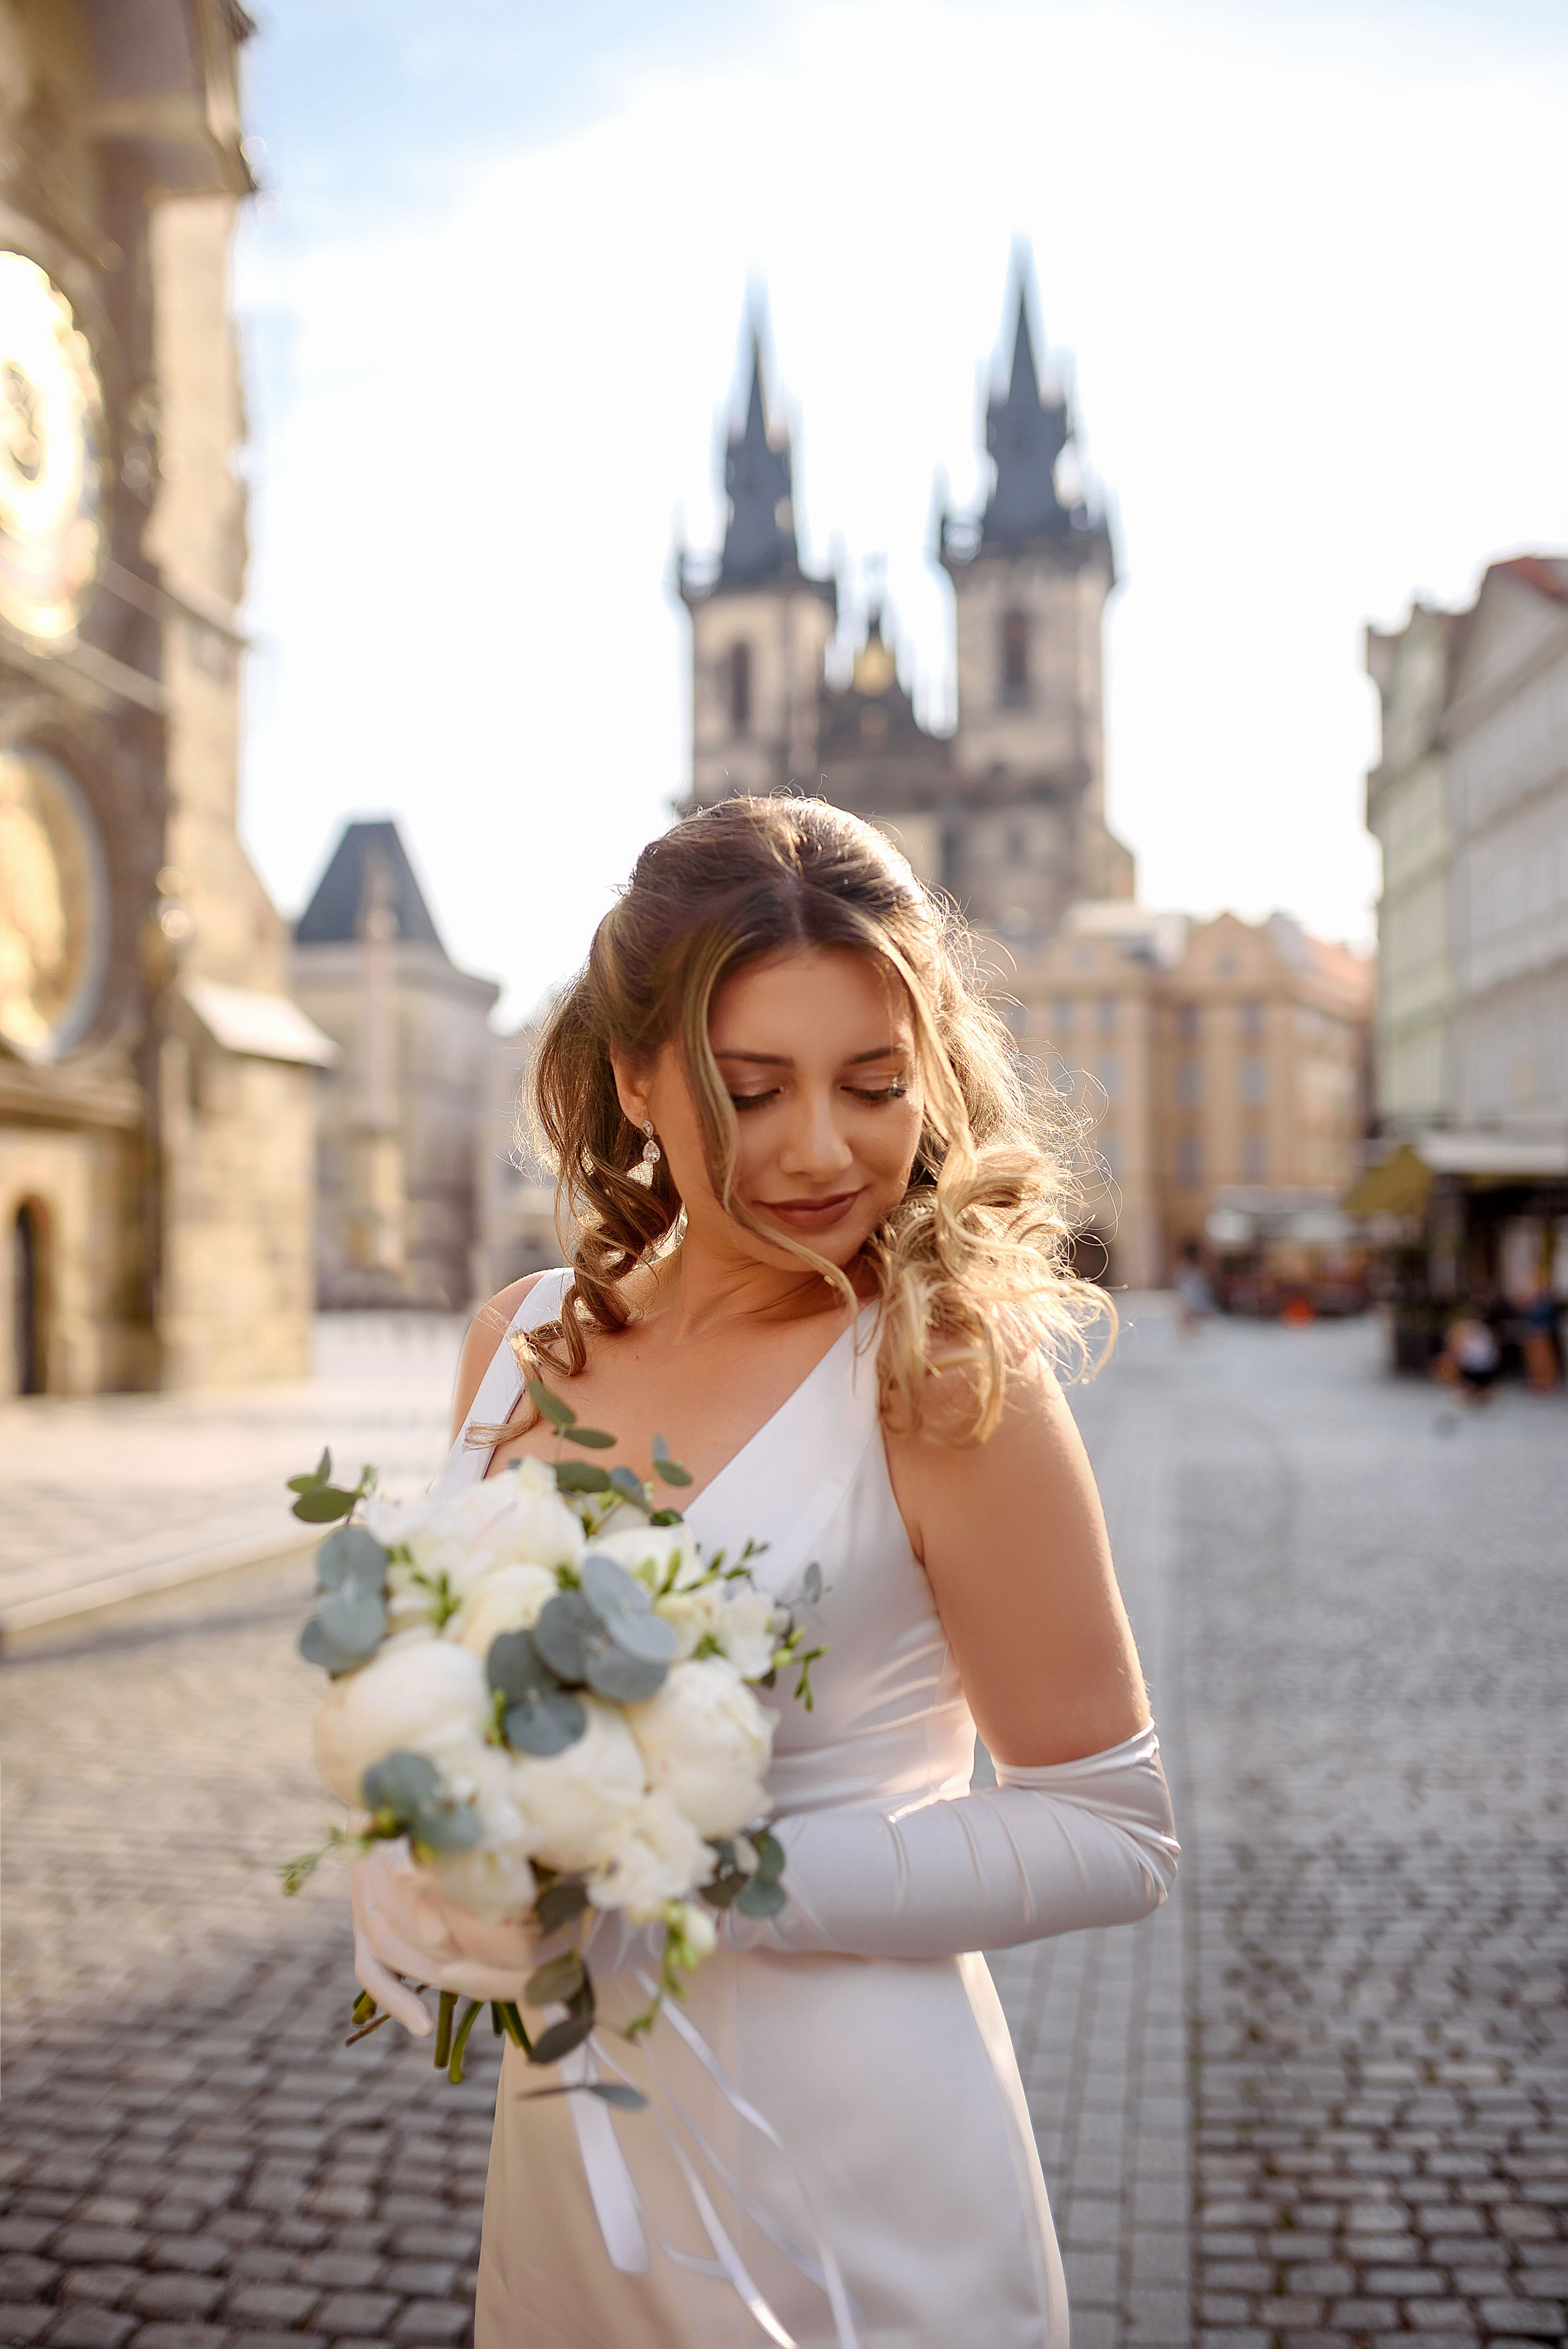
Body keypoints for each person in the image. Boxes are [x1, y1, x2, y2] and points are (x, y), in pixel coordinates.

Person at [350, 797, 1177, 2349]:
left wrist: (722, 1878)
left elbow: (1114, 1831)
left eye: (874, 1085)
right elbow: (455, 1706)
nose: (821, 1149)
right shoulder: (515, 1344)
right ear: (637, 1079)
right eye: (753, 1089)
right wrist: (422, 1864)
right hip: (573, 2146)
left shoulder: (940, 1375)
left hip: (856, 2167)